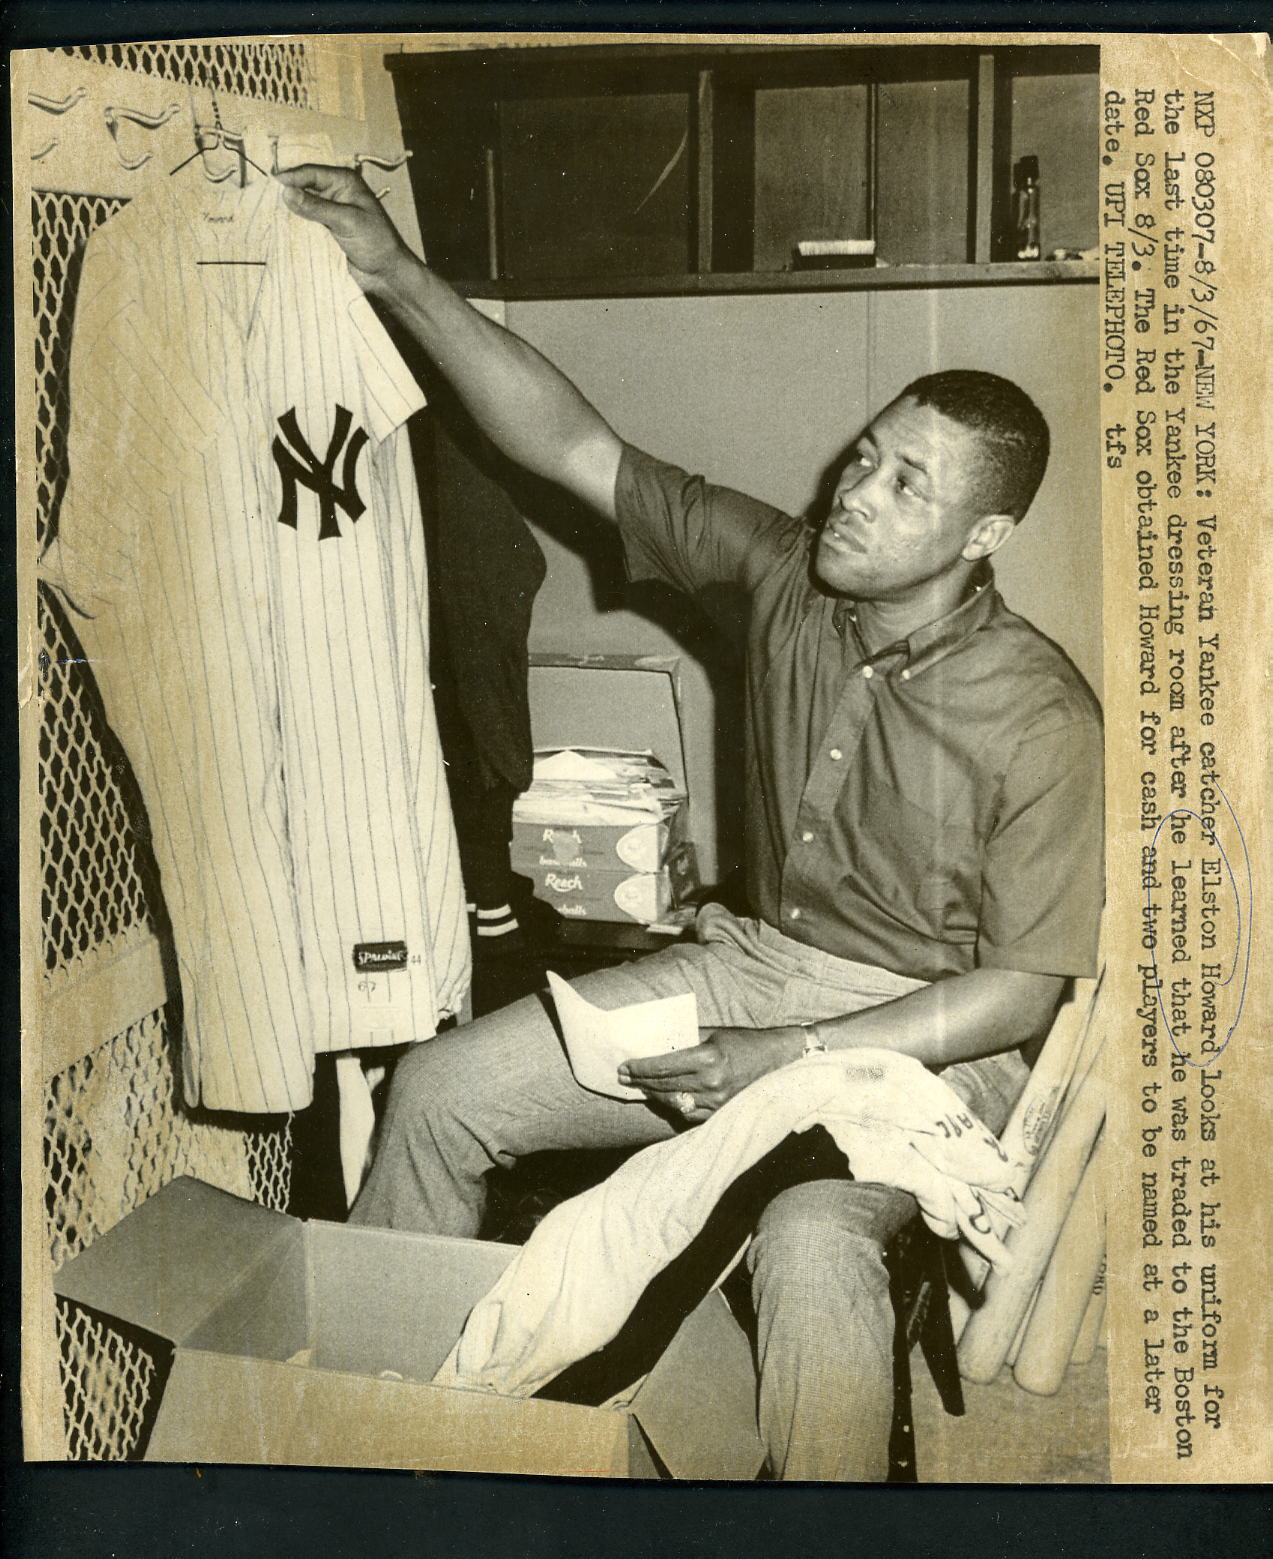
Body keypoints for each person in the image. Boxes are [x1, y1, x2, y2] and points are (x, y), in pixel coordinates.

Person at [277, 164, 1104, 1481]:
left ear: (984, 532)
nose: (854, 494)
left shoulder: (1041, 714)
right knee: (436, 1093)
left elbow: (1014, 994)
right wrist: (395, 273)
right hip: (753, 964)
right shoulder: (788, 575)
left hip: (929, 1039)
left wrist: (784, 1053)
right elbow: (571, 445)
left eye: (906, 487)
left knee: (810, 1243)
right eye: (864, 459)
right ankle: (387, 1438)